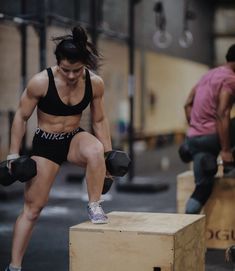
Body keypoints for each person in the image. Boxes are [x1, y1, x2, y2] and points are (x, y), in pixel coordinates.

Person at [5, 25, 112, 271]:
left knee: (95, 150)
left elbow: (98, 120)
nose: (72, 76)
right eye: (66, 70)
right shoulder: (40, 82)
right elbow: (20, 117)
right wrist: (13, 153)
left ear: (85, 63)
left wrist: (108, 154)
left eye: (77, 70)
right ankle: (14, 266)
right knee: (33, 209)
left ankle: (94, 205)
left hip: (74, 137)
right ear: (57, 63)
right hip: (46, 144)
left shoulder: (95, 83)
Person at [183, 44, 235, 214]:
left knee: (203, 188)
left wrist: (195, 128)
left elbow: (187, 104)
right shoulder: (230, 79)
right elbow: (222, 113)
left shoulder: (207, 75)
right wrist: (226, 151)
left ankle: (186, 225)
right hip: (212, 138)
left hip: (194, 139)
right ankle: (230, 167)